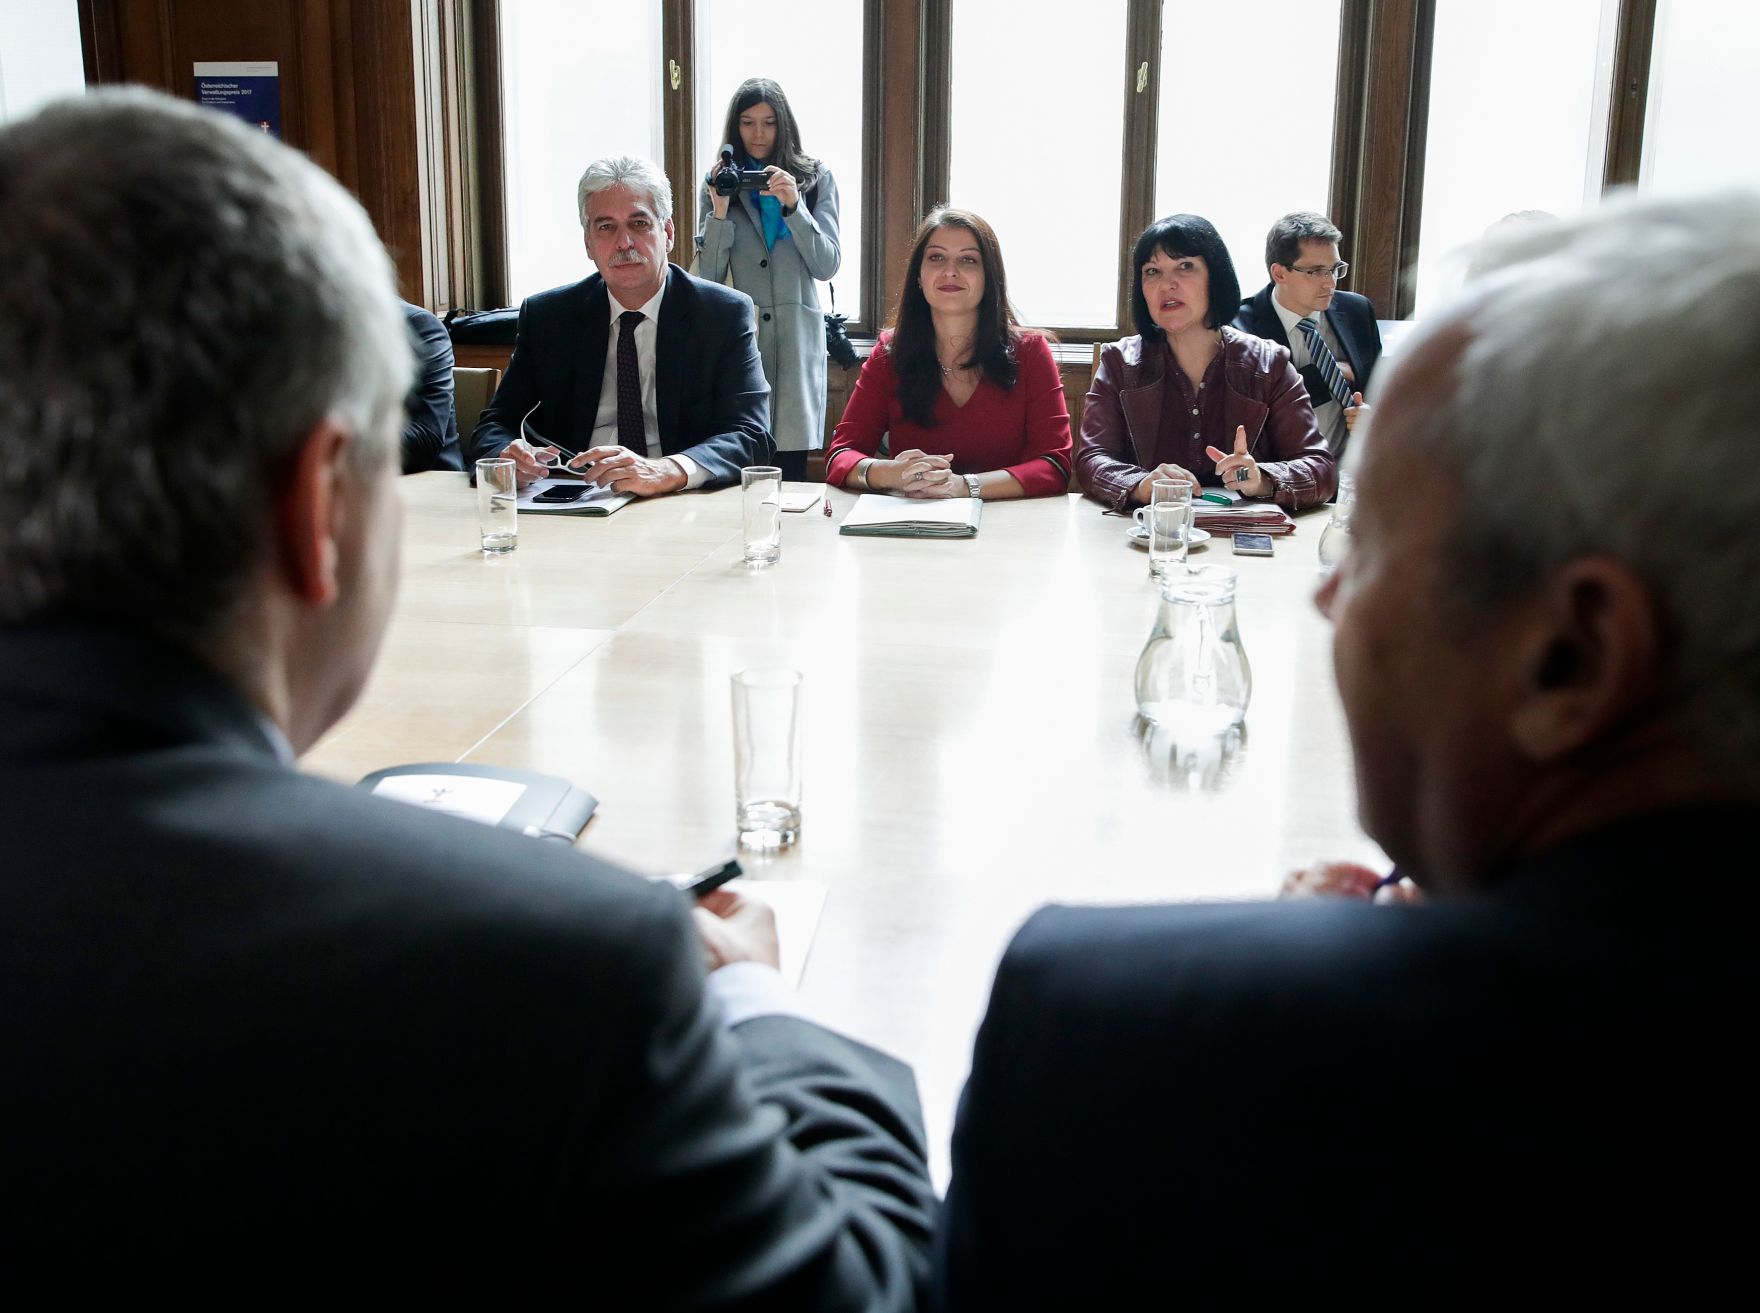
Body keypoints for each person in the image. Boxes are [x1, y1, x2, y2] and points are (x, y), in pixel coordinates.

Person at [0, 89, 935, 1293]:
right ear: (317, 507)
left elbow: (748, 430)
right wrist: (755, 997)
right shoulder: (562, 968)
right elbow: (869, 1280)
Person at [936, 191, 1758, 1302]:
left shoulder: (1116, 1041)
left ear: (1571, 655)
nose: (1326, 595)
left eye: (1368, 548)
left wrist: (752, 1011)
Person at [470, 155, 772, 495]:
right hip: (574, 499)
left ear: (668, 232)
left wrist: (668, 469)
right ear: (588, 244)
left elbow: (751, 433)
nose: (624, 243)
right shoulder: (549, 317)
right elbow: (494, 425)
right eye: (606, 227)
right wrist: (508, 455)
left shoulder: (721, 313)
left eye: (639, 224)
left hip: (677, 500)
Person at [1076, 213, 1335, 511]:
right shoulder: (1119, 362)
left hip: (1244, 544)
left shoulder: (1270, 363)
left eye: (1185, 266)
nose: (1167, 284)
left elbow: (1321, 470)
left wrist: (1262, 478)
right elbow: (1092, 461)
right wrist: (1139, 484)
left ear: (1216, 275)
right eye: (1152, 272)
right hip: (1149, 536)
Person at [823, 208, 1071, 501]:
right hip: (914, 522)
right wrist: (895, 474)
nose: (950, 271)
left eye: (968, 260)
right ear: (919, 275)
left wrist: (964, 486)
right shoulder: (889, 352)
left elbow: (1055, 466)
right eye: (936, 258)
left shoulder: (1031, 352)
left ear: (989, 277)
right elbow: (840, 456)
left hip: (1007, 526)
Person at [695, 77, 841, 481]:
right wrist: (720, 212)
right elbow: (705, 279)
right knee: (740, 459)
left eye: (769, 122)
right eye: (747, 122)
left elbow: (827, 265)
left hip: (795, 344)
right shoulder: (718, 183)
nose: (758, 133)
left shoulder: (816, 179)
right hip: (743, 344)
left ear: (784, 125)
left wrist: (794, 206)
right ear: (734, 128)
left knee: (792, 473)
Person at [1232, 210, 1382, 461]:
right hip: (1278, 476)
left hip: (1348, 476)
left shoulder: (1357, 312)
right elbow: (1260, 410)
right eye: (1315, 272)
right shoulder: (1239, 327)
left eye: (1335, 269)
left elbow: (1380, 391)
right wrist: (1328, 372)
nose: (1330, 283)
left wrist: (1372, 416)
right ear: (1279, 273)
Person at [399, 299, 463, 473]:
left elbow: (425, 437)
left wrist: (327, 443)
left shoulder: (417, 325)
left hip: (429, 481)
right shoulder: (320, 327)